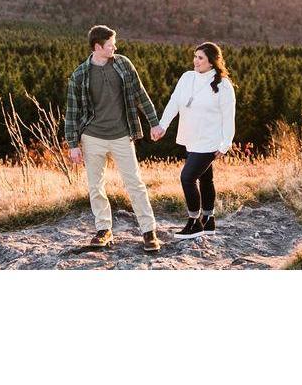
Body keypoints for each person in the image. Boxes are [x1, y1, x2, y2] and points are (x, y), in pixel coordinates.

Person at [65, 25, 166, 253]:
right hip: (92, 138)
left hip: (122, 135)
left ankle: (149, 231)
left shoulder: (123, 64)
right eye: (110, 45)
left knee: (135, 184)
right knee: (96, 186)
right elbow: (71, 112)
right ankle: (103, 230)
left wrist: (154, 122)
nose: (115, 47)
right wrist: (73, 144)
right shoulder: (80, 75)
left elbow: (140, 94)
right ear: (98, 47)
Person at [157, 41, 236, 239]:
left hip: (210, 141)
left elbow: (229, 116)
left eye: (200, 57)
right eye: (195, 56)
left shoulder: (223, 85)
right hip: (191, 138)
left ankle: (194, 223)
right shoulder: (187, 77)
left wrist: (225, 143)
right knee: (205, 178)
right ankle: (209, 220)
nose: (196, 61)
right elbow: (174, 102)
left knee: (187, 178)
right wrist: (163, 125)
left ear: (211, 62)